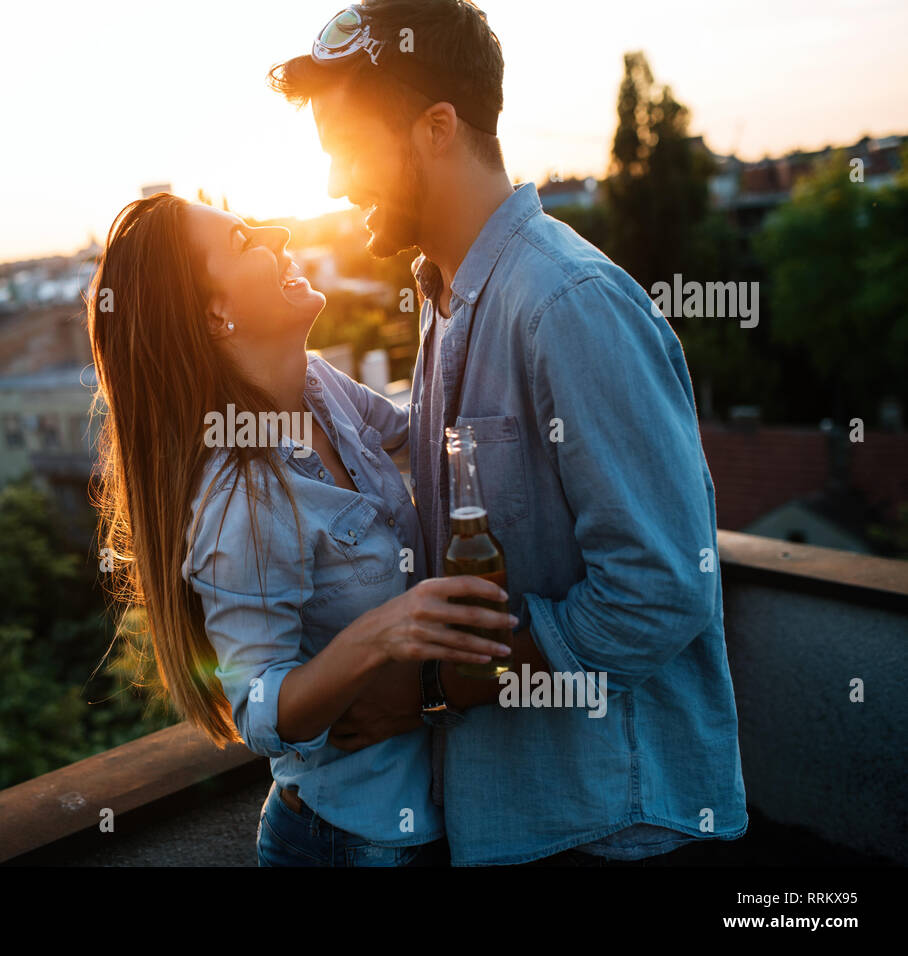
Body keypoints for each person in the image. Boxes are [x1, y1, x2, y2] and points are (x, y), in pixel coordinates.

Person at [267, 0, 748, 865]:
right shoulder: (444, 300)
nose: (336, 184)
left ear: (437, 127)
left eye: (348, 148)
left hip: (609, 833)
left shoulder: (567, 303)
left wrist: (430, 693)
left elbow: (661, 591)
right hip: (513, 827)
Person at [87, 191, 517, 866]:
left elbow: (432, 437)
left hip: (437, 816)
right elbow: (259, 711)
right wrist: (380, 632)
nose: (279, 231)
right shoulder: (240, 501)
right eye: (243, 241)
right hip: (355, 844)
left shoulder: (320, 386)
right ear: (215, 314)